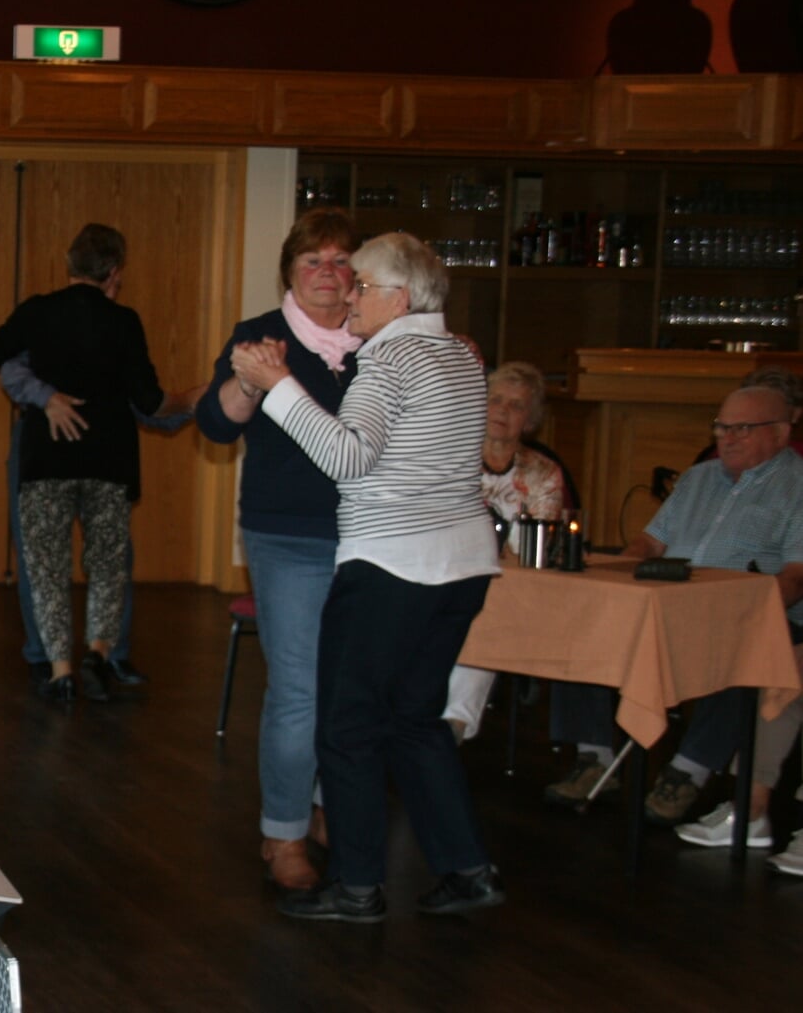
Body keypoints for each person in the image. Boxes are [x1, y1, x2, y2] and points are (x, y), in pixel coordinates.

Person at [232, 231, 503, 922]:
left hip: (392, 565)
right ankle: (467, 869)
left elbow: (347, 459)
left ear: (399, 297)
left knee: (347, 727)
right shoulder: (460, 357)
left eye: (361, 284)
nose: (347, 294)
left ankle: (356, 886)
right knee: (415, 719)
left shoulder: (386, 359)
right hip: (463, 565)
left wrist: (278, 387)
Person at [545, 385, 803, 833]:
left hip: (749, 613)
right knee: (584, 629)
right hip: (670, 602)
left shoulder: (797, 486)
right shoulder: (700, 477)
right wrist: (614, 581)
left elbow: (796, 577)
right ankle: (593, 758)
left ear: (781, 433)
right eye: (722, 426)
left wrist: (751, 615)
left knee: (741, 655)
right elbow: (648, 543)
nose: (729, 437)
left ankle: (686, 773)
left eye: (743, 428)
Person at [192, 207, 360, 892]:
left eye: (340, 259)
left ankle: (326, 807)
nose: (326, 272)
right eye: (312, 260)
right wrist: (247, 382)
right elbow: (214, 423)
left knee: (349, 689)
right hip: (288, 534)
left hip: (371, 536)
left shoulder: (378, 338)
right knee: (297, 690)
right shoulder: (261, 335)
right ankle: (281, 832)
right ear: (289, 271)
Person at [0, 224, 170, 702]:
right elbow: (147, 397)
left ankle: (60, 671)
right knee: (107, 563)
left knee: (46, 567)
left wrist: (45, 391)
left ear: (69, 265)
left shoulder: (38, 313)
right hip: (109, 456)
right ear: (114, 271)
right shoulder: (125, 321)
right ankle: (100, 651)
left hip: (47, 456)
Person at [0, 348, 199, 689]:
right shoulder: (45, 324)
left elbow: (145, 404)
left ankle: (109, 655)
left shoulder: (116, 336)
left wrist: (193, 404)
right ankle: (45, 658)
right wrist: (48, 399)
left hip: (104, 450)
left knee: (113, 557)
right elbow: (10, 372)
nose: (113, 291)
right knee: (41, 560)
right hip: (43, 453)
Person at [442, 360, 566, 742]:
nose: (502, 411)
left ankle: (454, 727)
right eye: (495, 400)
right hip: (443, 573)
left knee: (485, 610)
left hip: (507, 585)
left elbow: (530, 552)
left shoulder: (542, 473)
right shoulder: (449, 456)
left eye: (515, 406)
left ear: (529, 419)